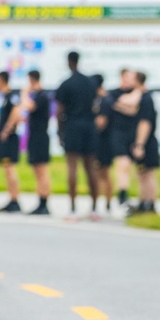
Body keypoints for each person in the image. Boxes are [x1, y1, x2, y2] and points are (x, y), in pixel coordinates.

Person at [54, 50, 100, 221]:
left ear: (68, 62)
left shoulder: (66, 84)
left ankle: (73, 209)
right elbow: (95, 104)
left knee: (72, 167)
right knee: (91, 168)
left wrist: (60, 132)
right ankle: (95, 208)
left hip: (73, 126)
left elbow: (59, 111)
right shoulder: (90, 82)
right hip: (89, 126)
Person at [105, 69, 142, 216]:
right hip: (117, 133)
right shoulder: (113, 93)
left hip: (131, 134)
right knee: (123, 163)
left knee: (130, 167)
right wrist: (125, 107)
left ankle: (125, 193)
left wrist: (122, 107)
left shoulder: (137, 92)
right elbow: (118, 105)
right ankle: (122, 195)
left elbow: (133, 109)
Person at [129, 71, 160, 214]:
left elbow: (145, 123)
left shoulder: (146, 99)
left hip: (146, 143)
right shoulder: (145, 97)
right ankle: (143, 202)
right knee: (142, 174)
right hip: (146, 142)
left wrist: (140, 144)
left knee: (147, 175)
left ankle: (150, 204)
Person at [22, 70, 51, 215]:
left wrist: (24, 94)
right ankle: (40, 200)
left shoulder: (42, 96)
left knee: (42, 170)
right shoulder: (38, 95)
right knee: (36, 170)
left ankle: (44, 202)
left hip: (40, 137)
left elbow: (30, 106)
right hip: (34, 136)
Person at [0, 71, 21, 213]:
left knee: (10, 168)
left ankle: (15, 199)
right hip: (5, 138)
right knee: (6, 168)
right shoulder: (4, 97)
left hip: (9, 138)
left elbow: (17, 112)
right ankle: (11, 198)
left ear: (1, 80)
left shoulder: (12, 96)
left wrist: (7, 129)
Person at [91, 74, 115, 215]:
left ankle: (106, 202)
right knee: (99, 173)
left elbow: (101, 122)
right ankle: (101, 202)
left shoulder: (105, 100)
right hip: (100, 141)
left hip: (104, 141)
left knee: (104, 173)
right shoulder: (99, 100)